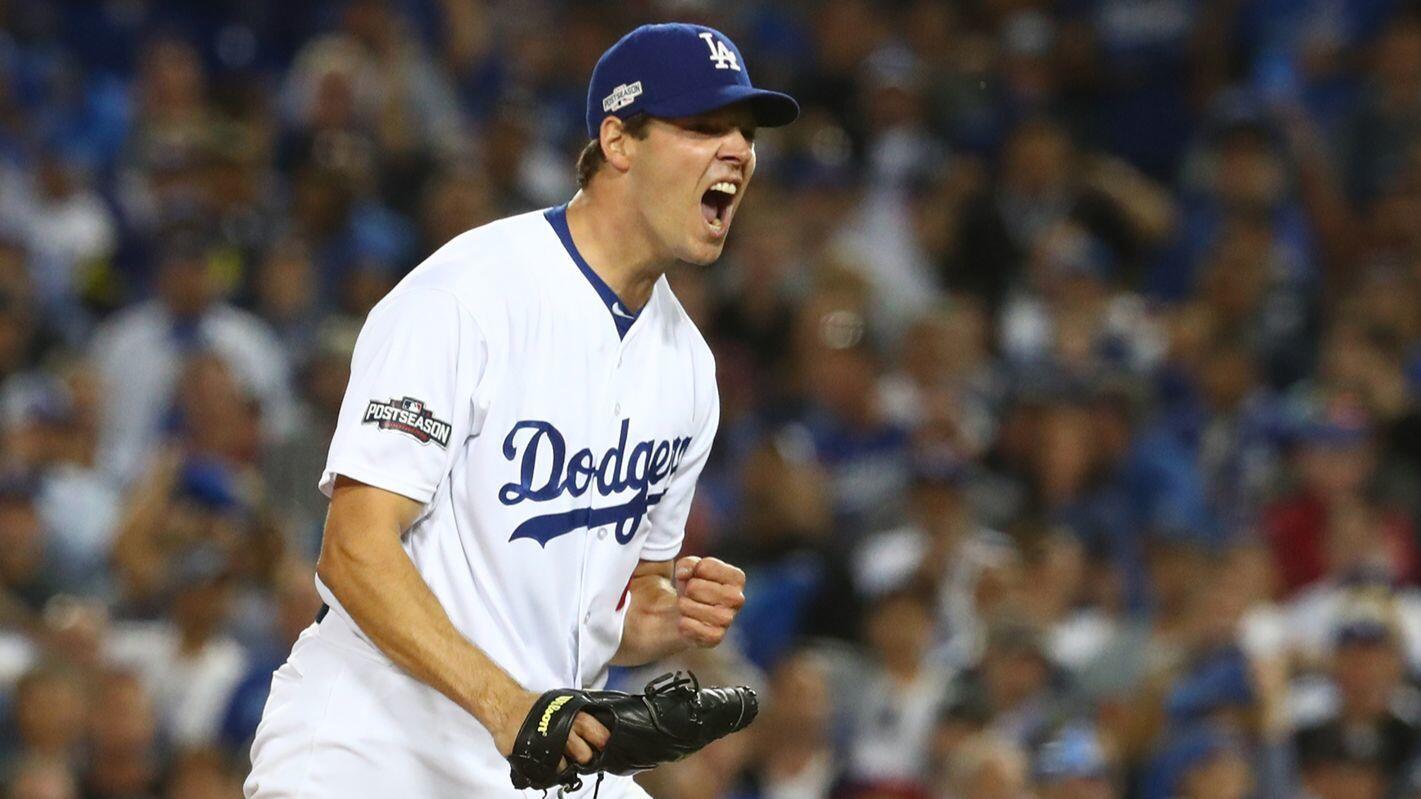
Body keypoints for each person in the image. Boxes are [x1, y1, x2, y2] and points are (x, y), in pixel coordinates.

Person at [244, 22, 798, 799]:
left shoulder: (689, 371)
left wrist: (668, 615)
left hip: (536, 749)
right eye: (704, 127)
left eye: (744, 132)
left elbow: (611, 604)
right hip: (376, 743)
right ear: (618, 140)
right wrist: (510, 706)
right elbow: (353, 550)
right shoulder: (466, 296)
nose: (737, 149)